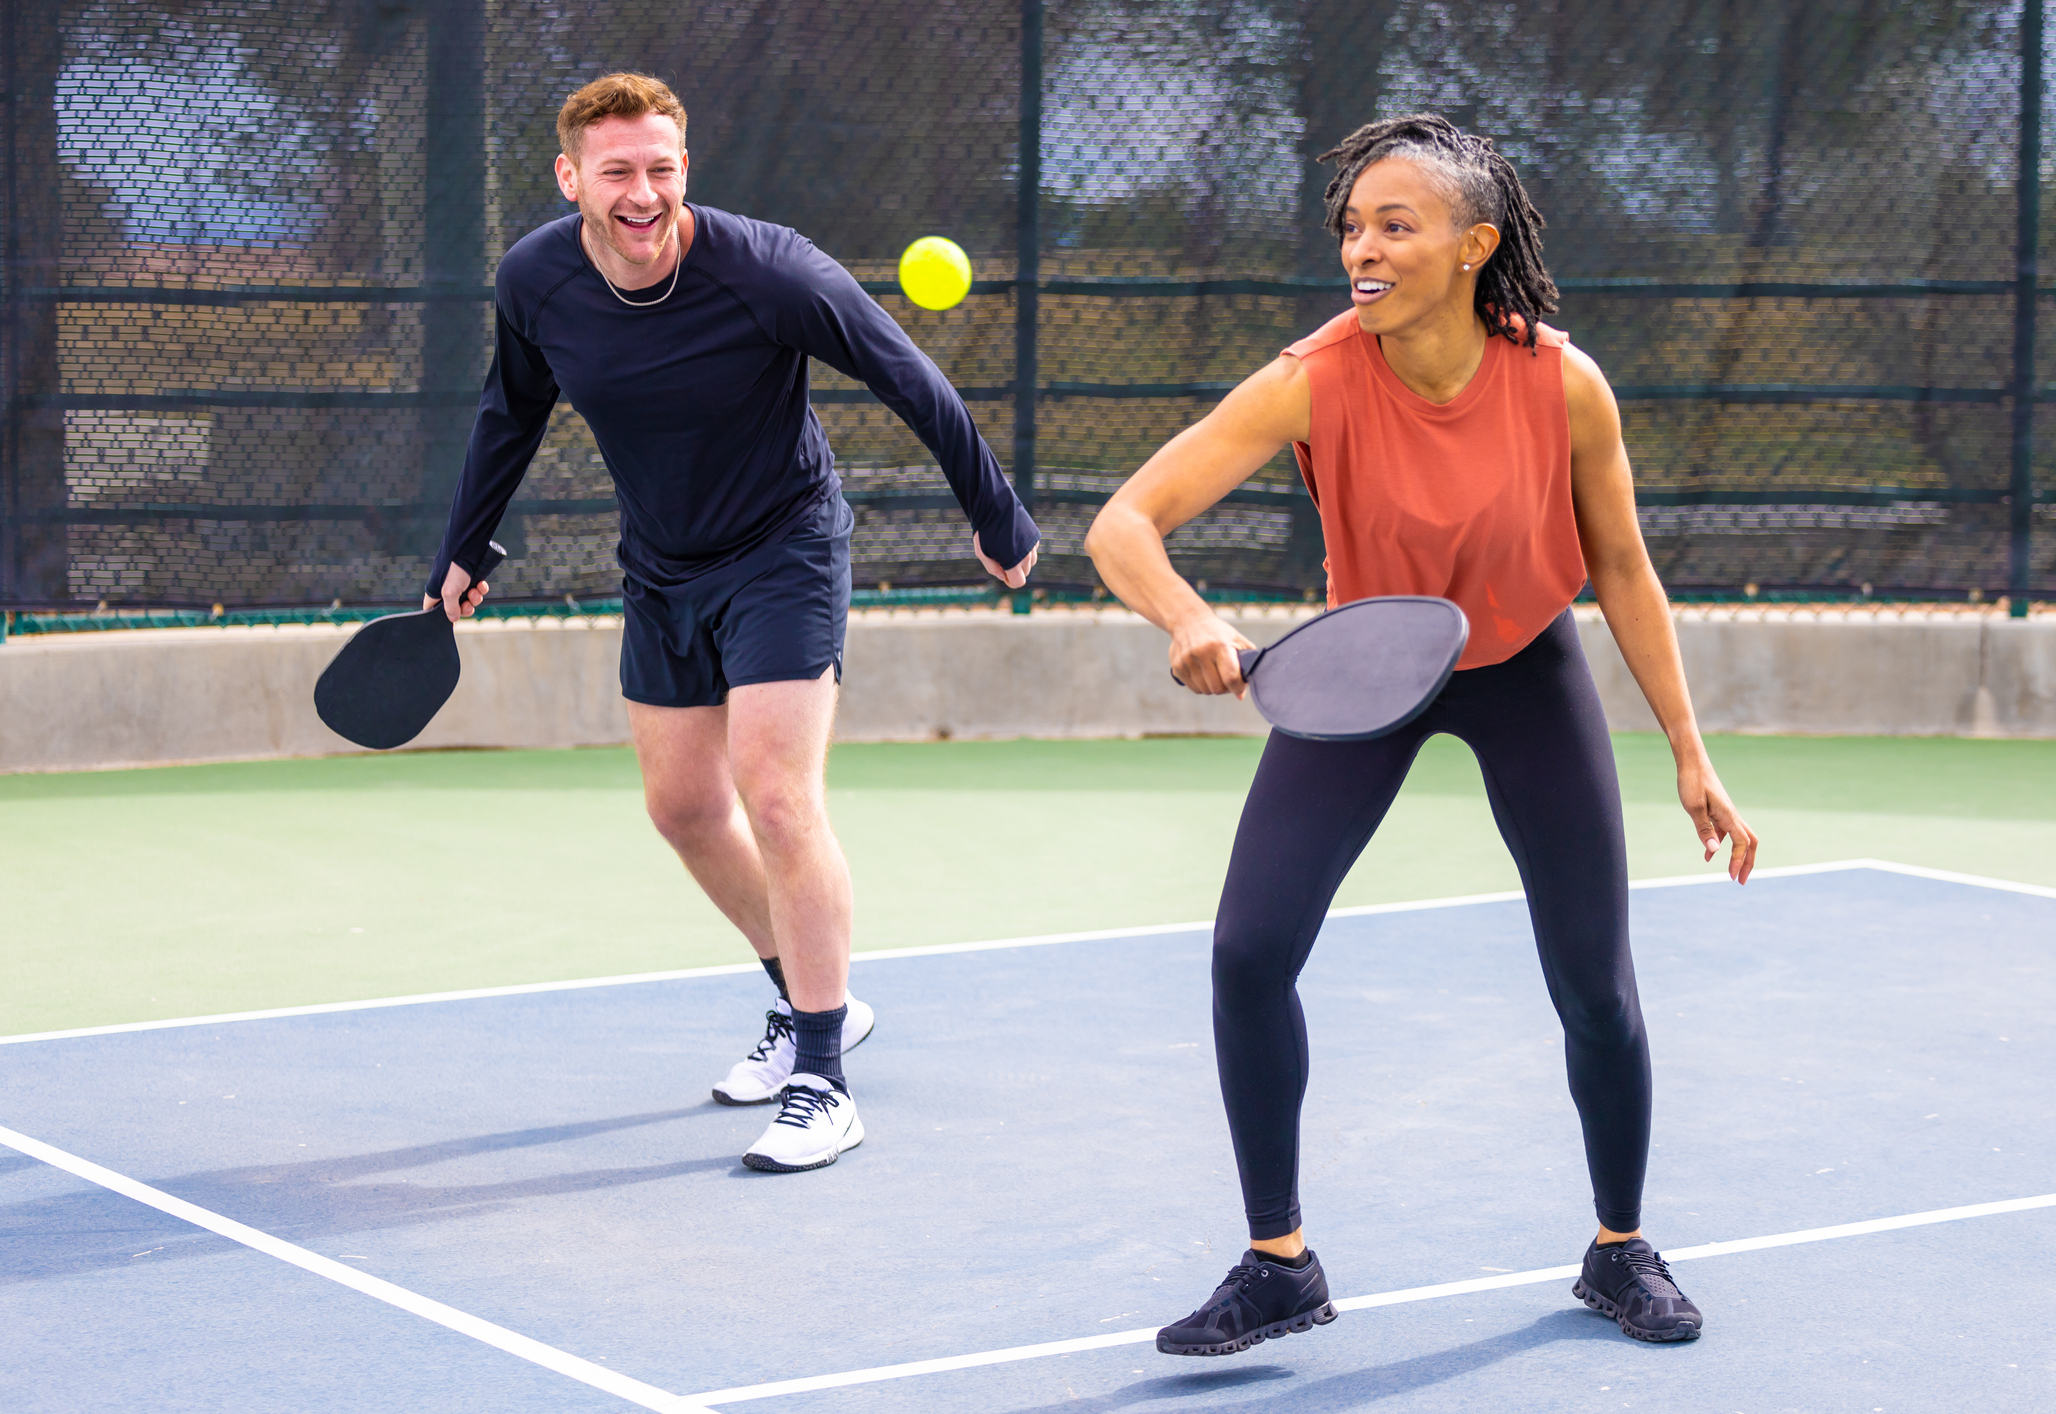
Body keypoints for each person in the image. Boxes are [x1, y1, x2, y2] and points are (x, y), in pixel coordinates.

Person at [1086, 115, 1757, 1353]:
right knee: (1246, 955)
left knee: (1593, 988)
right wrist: (1183, 614)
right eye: (1351, 226)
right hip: (1369, 670)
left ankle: (1619, 1248)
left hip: (1523, 667)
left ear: (1472, 245)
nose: (1363, 248)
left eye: (1396, 225)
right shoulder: (1311, 375)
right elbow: (1124, 521)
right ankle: (1276, 1261)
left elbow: (1620, 567)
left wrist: (1687, 747)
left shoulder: (1561, 382)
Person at [426, 73, 1038, 1173]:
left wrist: (994, 513)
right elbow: (509, 407)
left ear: (683, 172)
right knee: (682, 808)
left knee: (774, 789)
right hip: (661, 564)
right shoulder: (538, 279)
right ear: (571, 179)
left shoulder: (768, 271)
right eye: (617, 171)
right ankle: (813, 1002)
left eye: (661, 168)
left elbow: (909, 377)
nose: (643, 192)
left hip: (784, 548)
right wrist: (463, 545)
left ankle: (821, 1079)